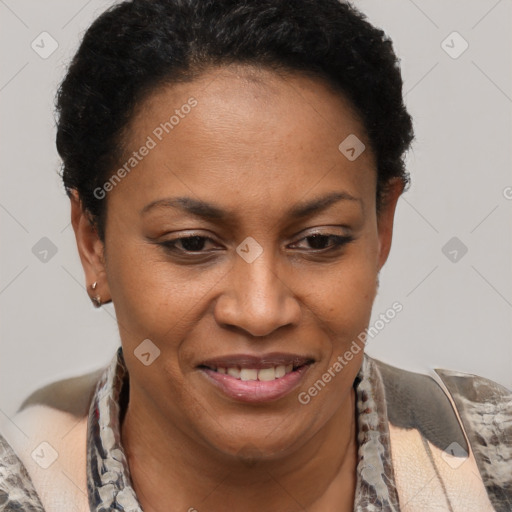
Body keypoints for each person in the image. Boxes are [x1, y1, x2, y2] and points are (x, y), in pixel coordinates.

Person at [0, 0, 510, 510]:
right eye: (192, 243)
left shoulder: (492, 467)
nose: (261, 311)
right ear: (93, 244)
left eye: (318, 240)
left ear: (382, 227)